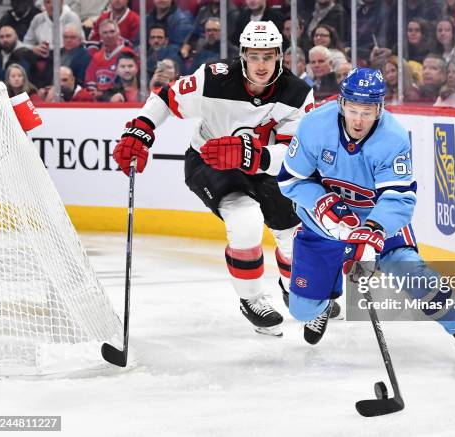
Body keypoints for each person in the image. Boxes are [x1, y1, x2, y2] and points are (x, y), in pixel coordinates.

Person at [111, 21, 325, 337]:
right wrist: (141, 128)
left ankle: (294, 286)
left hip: (263, 166)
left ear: (279, 56)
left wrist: (254, 156)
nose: (262, 65)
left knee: (292, 232)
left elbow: (293, 153)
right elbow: (167, 97)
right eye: (254, 56)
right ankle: (252, 299)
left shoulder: (298, 93)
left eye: (268, 56)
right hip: (211, 159)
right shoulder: (213, 79)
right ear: (242, 56)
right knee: (245, 219)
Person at [276, 67, 455, 366]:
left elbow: (398, 198)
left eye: (367, 111)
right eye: (353, 109)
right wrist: (324, 204)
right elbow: (290, 180)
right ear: (341, 104)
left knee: (411, 272)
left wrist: (371, 234)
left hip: (375, 219)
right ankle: (326, 299)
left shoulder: (392, 138)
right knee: (302, 311)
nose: (358, 119)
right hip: (322, 222)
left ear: (379, 108)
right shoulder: (315, 125)